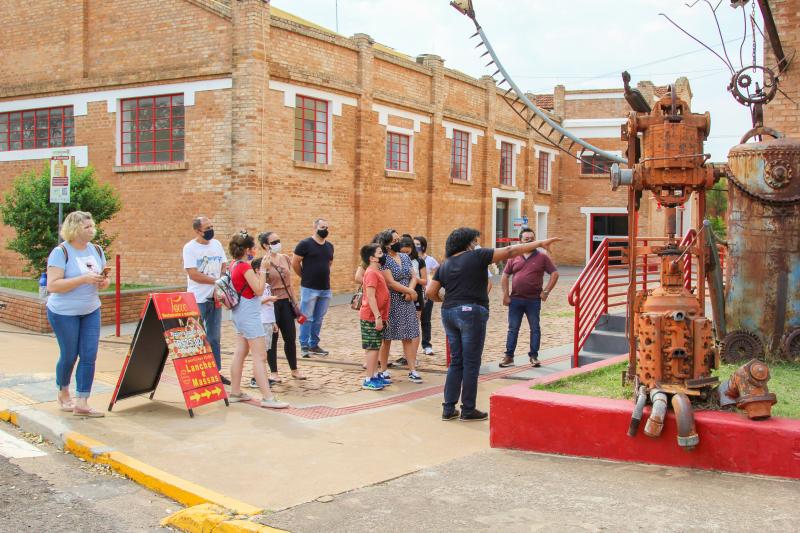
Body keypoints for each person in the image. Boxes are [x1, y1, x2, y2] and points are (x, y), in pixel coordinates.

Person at [427, 227, 559, 422]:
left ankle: (448, 408)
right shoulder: (477, 255)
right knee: (471, 363)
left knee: (457, 361)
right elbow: (510, 251)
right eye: (474, 241)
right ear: (468, 242)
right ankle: (468, 409)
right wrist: (539, 244)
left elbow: (430, 292)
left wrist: (447, 301)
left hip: (449, 313)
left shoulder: (445, 265)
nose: (476, 244)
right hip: (472, 312)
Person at [46, 211, 109, 417]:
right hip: (64, 312)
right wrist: (83, 279)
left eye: (92, 226)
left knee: (89, 354)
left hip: (90, 309)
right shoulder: (61, 252)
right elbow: (53, 286)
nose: (92, 230)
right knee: (70, 354)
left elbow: (102, 280)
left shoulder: (97, 250)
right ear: (74, 229)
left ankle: (82, 401)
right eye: (87, 227)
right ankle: (64, 391)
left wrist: (103, 281)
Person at [227, 231, 289, 409]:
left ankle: (235, 392)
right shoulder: (244, 267)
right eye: (253, 247)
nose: (255, 250)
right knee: (260, 356)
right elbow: (259, 289)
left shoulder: (233, 264)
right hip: (250, 316)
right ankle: (268, 397)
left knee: (240, 352)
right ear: (247, 250)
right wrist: (263, 269)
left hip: (239, 313)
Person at [249, 232, 305, 387]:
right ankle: (274, 372)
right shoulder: (262, 262)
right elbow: (260, 285)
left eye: (278, 240)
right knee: (272, 339)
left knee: (290, 337)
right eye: (274, 242)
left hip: (286, 301)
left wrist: (295, 302)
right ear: (266, 245)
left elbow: (290, 283)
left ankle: (294, 369)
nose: (277, 243)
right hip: (270, 304)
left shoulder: (285, 258)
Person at [500, 227, 560, 368]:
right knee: (513, 328)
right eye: (526, 239)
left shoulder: (542, 257)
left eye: (531, 239)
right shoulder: (514, 256)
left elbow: (555, 274)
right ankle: (509, 357)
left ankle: (534, 356)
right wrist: (505, 295)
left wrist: (546, 291)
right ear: (520, 240)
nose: (529, 241)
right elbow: (505, 276)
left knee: (535, 328)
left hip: (533, 300)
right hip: (515, 300)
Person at [183, 216, 230, 385]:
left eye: (211, 226)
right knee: (196, 336)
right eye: (206, 228)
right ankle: (198, 372)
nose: (210, 230)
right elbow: (193, 274)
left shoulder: (216, 244)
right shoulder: (190, 248)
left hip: (215, 297)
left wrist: (221, 280)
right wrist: (216, 281)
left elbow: (224, 264)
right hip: (198, 298)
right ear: (197, 231)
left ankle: (215, 372)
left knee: (214, 336)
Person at [379, 231, 423, 383]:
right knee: (387, 337)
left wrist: (410, 292)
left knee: (408, 336)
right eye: (395, 240)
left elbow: (413, 276)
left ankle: (412, 370)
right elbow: (390, 282)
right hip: (391, 300)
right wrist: (410, 291)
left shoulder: (404, 257)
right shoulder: (384, 260)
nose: (398, 242)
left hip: (407, 300)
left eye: (399, 239)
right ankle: (383, 370)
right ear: (387, 244)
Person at [292, 218, 334, 357]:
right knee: (306, 317)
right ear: (315, 227)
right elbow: (295, 262)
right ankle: (304, 345)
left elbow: (329, 263)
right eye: (322, 227)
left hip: (325, 288)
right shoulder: (305, 244)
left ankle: (313, 344)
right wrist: (304, 276)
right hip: (309, 287)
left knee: (318, 318)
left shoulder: (329, 246)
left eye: (326, 227)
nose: (325, 230)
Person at [359, 243, 391, 391]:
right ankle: (368, 378)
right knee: (372, 348)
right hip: (371, 316)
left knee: (376, 346)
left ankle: (375, 375)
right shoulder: (371, 272)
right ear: (372, 258)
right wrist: (378, 316)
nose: (382, 255)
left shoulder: (377, 272)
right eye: (379, 253)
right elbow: (371, 297)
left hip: (378, 316)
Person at [395, 235, 426, 365]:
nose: (405, 255)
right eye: (402, 252)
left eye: (407, 252)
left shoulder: (419, 261)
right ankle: (406, 355)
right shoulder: (396, 260)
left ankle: (413, 356)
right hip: (402, 294)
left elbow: (425, 280)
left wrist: (414, 278)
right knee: (404, 327)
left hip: (415, 294)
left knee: (414, 326)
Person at [415, 236, 439, 356]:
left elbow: (438, 271)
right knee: (413, 321)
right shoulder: (410, 260)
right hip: (413, 292)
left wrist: (432, 284)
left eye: (418, 244)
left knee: (426, 320)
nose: (416, 246)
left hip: (426, 293)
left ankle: (426, 345)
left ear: (423, 246)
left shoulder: (430, 260)